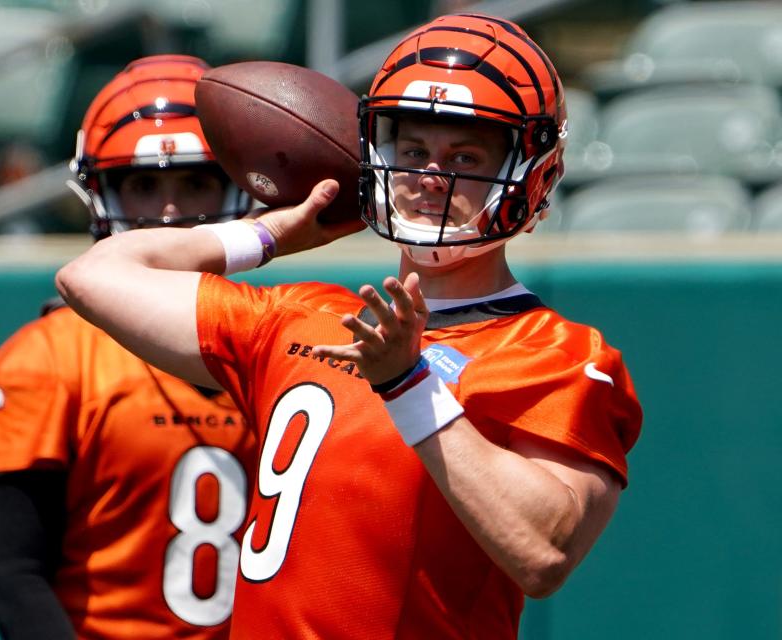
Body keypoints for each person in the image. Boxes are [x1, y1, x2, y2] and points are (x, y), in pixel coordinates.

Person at [56, 15, 642, 639]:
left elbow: (544, 553)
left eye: (464, 157)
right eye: (413, 151)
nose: (428, 177)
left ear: (530, 172)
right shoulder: (297, 314)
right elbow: (91, 275)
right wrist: (269, 234)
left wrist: (409, 387)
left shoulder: (562, 354)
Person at [0, 55, 257, 640]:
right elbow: (15, 578)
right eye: (143, 185)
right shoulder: (50, 358)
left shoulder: (282, 337)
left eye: (195, 181)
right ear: (100, 194)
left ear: (240, 187)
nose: (169, 212)